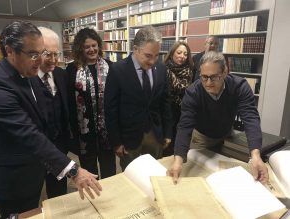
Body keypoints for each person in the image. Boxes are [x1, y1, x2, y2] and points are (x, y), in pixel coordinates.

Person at [0, 21, 101, 218]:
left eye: (42, 52)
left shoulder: (28, 73)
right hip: (13, 176)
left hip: (35, 168)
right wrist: (73, 170)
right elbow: (29, 133)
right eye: (33, 54)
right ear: (10, 51)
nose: (41, 60)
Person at [167, 51, 268, 184]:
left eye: (214, 77)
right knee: (203, 176)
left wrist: (255, 155)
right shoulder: (193, 92)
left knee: (222, 175)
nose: (208, 83)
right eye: (204, 77)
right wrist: (178, 161)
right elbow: (185, 126)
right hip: (201, 138)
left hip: (226, 133)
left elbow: (250, 118)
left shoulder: (239, 87)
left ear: (225, 72)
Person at [104, 26, 172, 170]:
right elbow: (110, 109)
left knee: (155, 171)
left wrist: (167, 132)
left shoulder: (161, 69)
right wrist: (116, 142)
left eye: (156, 55)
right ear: (135, 49)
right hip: (129, 136)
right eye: (148, 55)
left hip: (155, 133)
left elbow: (165, 103)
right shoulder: (118, 70)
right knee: (131, 175)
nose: (153, 61)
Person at [66, 28, 116, 179]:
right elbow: (69, 102)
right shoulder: (72, 70)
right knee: (89, 173)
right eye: (87, 46)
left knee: (110, 172)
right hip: (84, 134)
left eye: (94, 45)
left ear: (99, 46)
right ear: (80, 48)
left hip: (107, 132)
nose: (91, 49)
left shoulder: (111, 66)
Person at [30, 26, 70, 198]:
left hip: (60, 145)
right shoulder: (27, 78)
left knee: (59, 191)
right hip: (35, 151)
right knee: (33, 193)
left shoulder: (61, 74)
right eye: (48, 54)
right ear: (36, 52)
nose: (54, 60)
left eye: (57, 54)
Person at [163, 41, 195, 156]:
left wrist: (168, 73)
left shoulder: (188, 71)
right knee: (162, 145)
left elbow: (182, 88)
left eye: (185, 54)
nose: (182, 56)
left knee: (176, 145)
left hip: (179, 111)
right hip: (164, 111)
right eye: (179, 52)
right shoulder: (163, 69)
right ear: (172, 54)